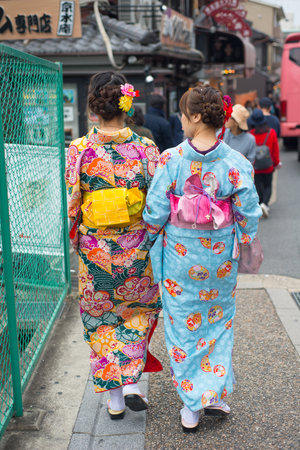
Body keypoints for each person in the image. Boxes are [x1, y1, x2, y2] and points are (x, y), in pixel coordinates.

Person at [143, 86, 261, 431]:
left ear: (195, 116)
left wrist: (147, 243)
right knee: (218, 324)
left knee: (183, 328)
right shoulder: (236, 163)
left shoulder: (172, 159)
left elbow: (154, 213)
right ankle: (213, 392)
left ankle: (192, 405)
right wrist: (246, 244)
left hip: (180, 259)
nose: (180, 120)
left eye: (183, 113)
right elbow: (248, 214)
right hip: (220, 259)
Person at [65, 71, 162, 420]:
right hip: (136, 247)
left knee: (101, 320)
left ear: (94, 107)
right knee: (139, 311)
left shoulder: (79, 150)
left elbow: (73, 203)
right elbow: (157, 204)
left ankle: (117, 399)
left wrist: (75, 237)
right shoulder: (146, 149)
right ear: (127, 104)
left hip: (95, 250)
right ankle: (133, 381)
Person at [249, 108, 281, 218]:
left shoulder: (251, 134)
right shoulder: (271, 133)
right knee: (268, 185)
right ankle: (265, 204)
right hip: (268, 166)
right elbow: (275, 150)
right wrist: (276, 163)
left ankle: (260, 203)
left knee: (258, 185)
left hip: (256, 167)